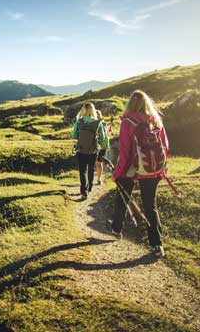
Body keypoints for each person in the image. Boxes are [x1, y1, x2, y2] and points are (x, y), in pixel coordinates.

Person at [111, 90, 168, 257]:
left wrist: (118, 172)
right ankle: (157, 244)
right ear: (147, 103)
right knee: (151, 206)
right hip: (153, 170)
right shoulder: (156, 120)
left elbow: (125, 151)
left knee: (122, 197)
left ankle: (116, 229)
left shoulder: (127, 121)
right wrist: (161, 168)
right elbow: (165, 146)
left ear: (130, 103)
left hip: (132, 169)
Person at [72, 102, 108, 201]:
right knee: (91, 168)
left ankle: (84, 191)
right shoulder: (98, 122)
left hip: (81, 149)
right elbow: (103, 137)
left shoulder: (79, 122)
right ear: (93, 110)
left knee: (83, 170)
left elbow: (74, 136)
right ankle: (90, 187)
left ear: (83, 110)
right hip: (93, 150)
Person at [95, 110, 110, 185]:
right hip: (103, 145)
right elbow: (107, 135)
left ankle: (98, 178)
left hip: (99, 145)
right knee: (98, 163)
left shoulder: (100, 124)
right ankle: (98, 179)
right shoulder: (104, 123)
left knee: (97, 163)